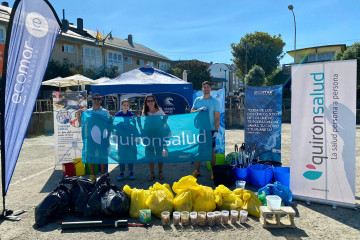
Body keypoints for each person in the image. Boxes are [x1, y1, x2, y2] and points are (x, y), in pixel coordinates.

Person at [78, 93, 110, 183]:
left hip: (102, 138)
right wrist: (78, 117)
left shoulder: (105, 112)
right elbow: (81, 124)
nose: (96, 100)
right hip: (90, 137)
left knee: (102, 156)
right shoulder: (87, 112)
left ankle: (102, 175)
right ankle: (92, 176)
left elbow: (108, 124)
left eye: (98, 99)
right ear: (92, 100)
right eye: (94, 99)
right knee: (91, 156)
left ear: (101, 100)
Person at [191, 81, 220, 180]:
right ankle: (197, 170)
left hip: (211, 129)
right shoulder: (198, 100)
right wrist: (199, 110)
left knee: (211, 150)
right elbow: (192, 111)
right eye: (204, 87)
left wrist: (216, 131)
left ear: (210, 88)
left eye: (208, 87)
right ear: (202, 89)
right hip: (201, 128)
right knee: (199, 149)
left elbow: (217, 118)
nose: (206, 88)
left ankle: (213, 171)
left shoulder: (215, 101)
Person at [141, 95, 166, 181]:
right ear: (146, 103)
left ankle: (160, 172)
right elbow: (142, 125)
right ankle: (152, 174)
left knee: (159, 154)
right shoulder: (144, 113)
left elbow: (164, 123)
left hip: (159, 135)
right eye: (148, 101)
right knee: (150, 155)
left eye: (152, 100)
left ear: (154, 101)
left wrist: (165, 118)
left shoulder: (160, 111)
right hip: (149, 136)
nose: (150, 102)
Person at [115, 99, 136, 181]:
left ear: (129, 106)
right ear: (121, 105)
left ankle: (131, 171)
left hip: (130, 139)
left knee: (130, 155)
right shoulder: (118, 115)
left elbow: (135, 124)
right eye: (124, 105)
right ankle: (121, 172)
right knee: (121, 155)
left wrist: (136, 119)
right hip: (121, 139)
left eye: (127, 105)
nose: (125, 106)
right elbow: (114, 125)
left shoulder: (131, 114)